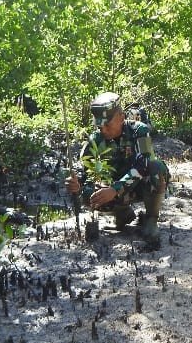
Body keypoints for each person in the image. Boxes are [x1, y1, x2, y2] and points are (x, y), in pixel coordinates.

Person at [65, 92, 169, 248]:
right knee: (88, 193)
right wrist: (76, 183)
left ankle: (151, 219)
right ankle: (123, 214)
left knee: (156, 167)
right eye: (100, 126)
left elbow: (144, 164)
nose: (104, 129)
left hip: (141, 186)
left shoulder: (139, 131)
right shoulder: (95, 139)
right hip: (115, 188)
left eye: (107, 125)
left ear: (121, 117)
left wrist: (115, 189)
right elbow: (85, 169)